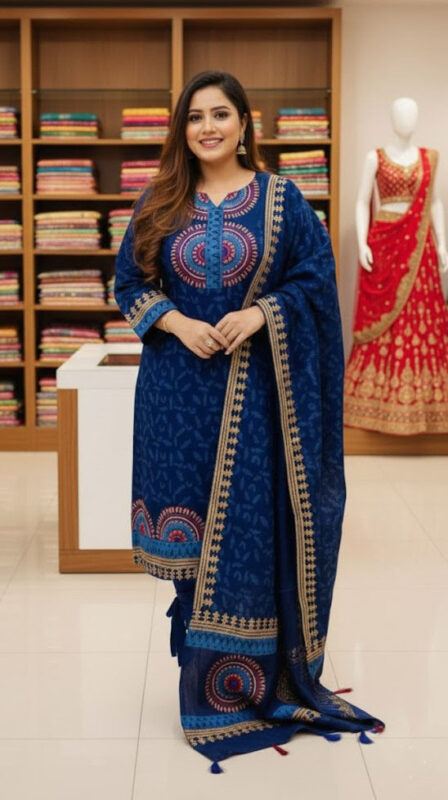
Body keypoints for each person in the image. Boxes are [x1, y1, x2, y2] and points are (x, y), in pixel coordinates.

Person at [114, 69, 384, 772]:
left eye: (220, 115)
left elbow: (314, 281)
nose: (207, 127)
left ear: (242, 123)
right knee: (191, 543)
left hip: (257, 402)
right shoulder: (160, 199)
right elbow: (129, 283)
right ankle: (201, 674)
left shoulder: (281, 200)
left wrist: (262, 313)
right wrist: (176, 322)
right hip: (176, 395)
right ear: (183, 128)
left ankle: (248, 685)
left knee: (252, 535)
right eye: (195, 116)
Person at [344, 97, 448, 434]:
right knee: (381, 316)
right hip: (384, 245)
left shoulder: (430, 158)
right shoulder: (374, 157)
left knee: (422, 315)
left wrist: (443, 243)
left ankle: (425, 405)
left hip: (420, 246)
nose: (407, 119)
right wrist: (362, 243)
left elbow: (435, 203)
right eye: (401, 114)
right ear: (392, 118)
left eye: (412, 114)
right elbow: (362, 201)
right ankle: (373, 402)